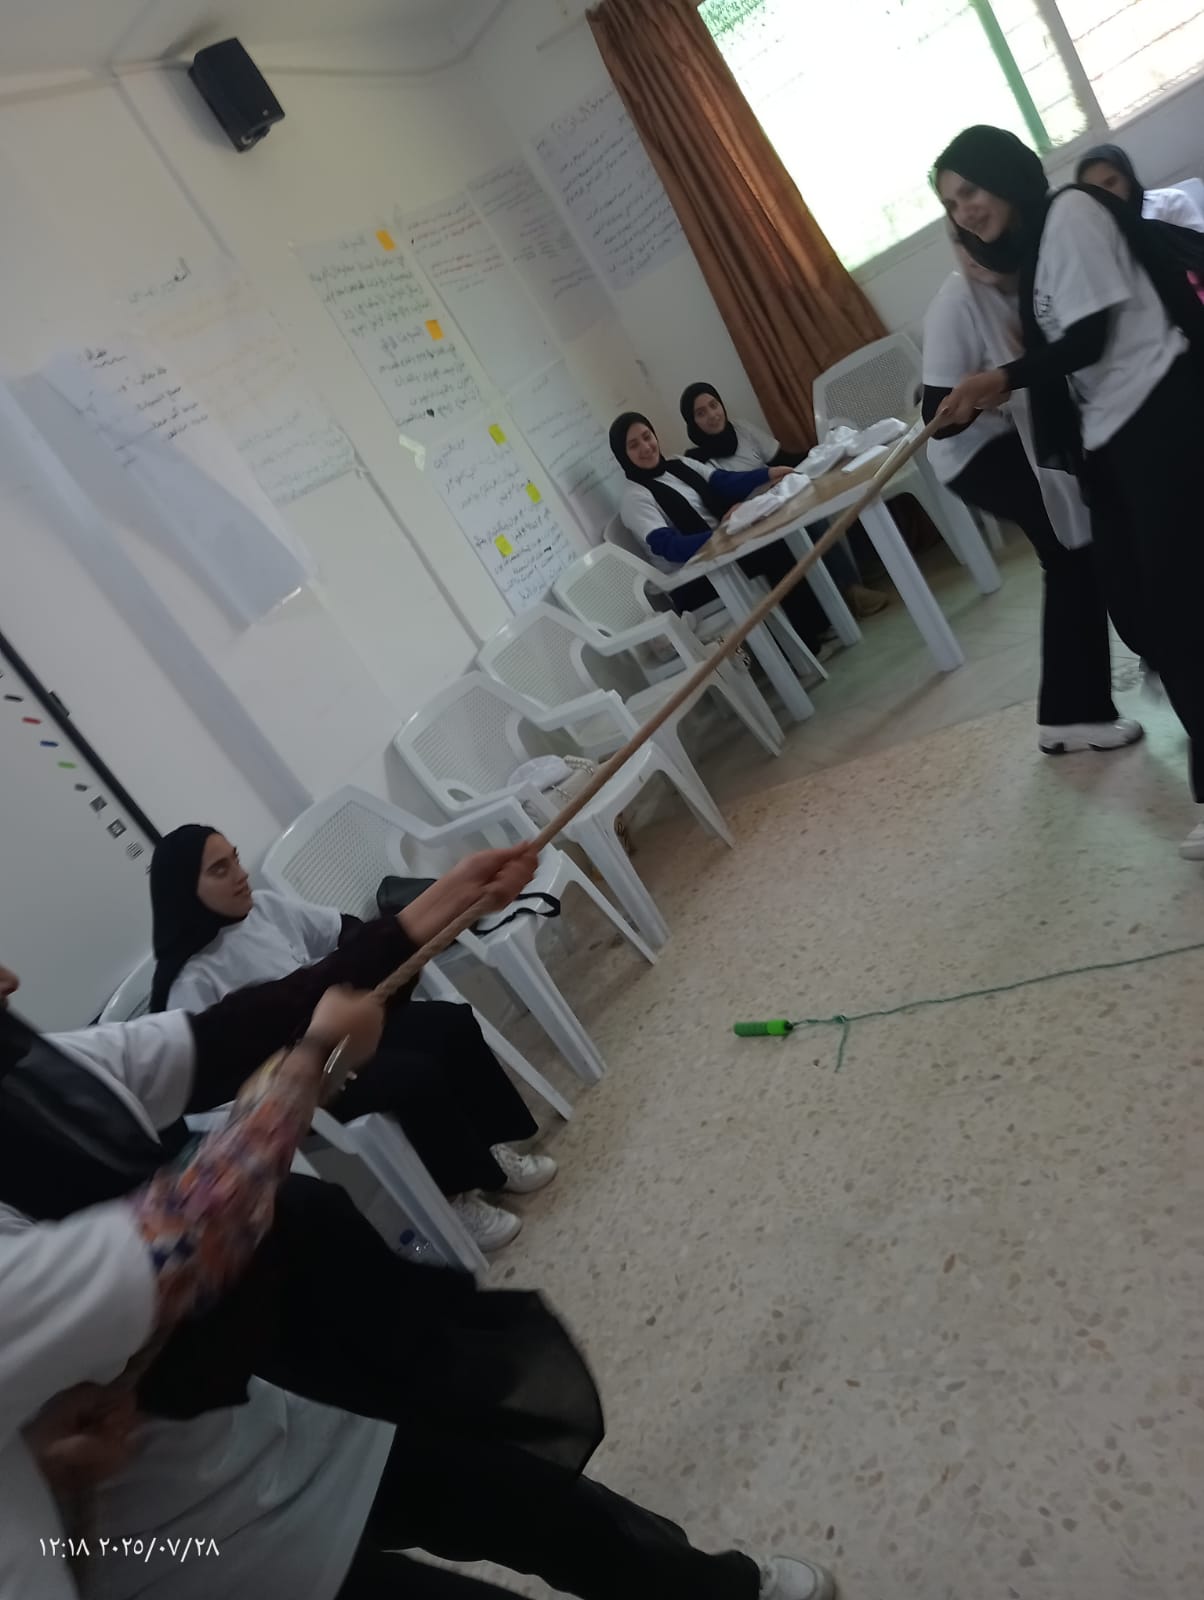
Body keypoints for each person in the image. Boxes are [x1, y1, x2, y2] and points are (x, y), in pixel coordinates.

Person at [0, 958, 837, 1600]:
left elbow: (210, 1041)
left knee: (532, 1500)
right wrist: (310, 1059)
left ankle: (718, 1592)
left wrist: (436, 908)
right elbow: (191, 1231)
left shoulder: (36, 1081)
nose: (10, 979)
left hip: (268, 1424)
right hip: (193, 1554)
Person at [931, 124, 1204, 859]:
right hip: (1114, 438)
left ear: (1003, 174)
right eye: (951, 204)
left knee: (1179, 610)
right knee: (1139, 608)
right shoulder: (1032, 257)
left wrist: (1003, 378)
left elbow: (1088, 339)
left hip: (1162, 413)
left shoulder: (1073, 214)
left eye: (970, 190)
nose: (964, 210)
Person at [149, 823, 554, 1252]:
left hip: (341, 1030)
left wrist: (364, 968)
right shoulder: (189, 982)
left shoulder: (264, 908)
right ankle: (456, 1197)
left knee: (449, 1024)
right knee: (413, 1076)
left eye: (235, 858)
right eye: (219, 869)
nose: (239, 873)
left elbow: (344, 930)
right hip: (306, 1080)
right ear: (184, 892)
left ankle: (490, 1148)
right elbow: (211, 1099)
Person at [921, 230, 1142, 754]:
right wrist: (983, 393)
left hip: (1029, 436)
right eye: (960, 238)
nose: (973, 252)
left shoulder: (1035, 276)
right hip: (977, 454)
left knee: (1082, 547)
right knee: (1070, 554)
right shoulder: (956, 302)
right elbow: (935, 417)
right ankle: (1074, 715)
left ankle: (1074, 711)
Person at [609, 411, 834, 654]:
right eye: (633, 445)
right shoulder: (635, 498)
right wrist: (723, 534)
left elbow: (722, 481)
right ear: (623, 455)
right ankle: (807, 647)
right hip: (696, 578)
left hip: (722, 551)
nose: (645, 447)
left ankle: (819, 628)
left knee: (779, 541)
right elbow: (669, 547)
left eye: (647, 437)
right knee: (773, 553)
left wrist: (769, 473)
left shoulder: (678, 464)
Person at [679, 383, 888, 618]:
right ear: (692, 422)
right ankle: (852, 592)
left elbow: (783, 459)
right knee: (811, 520)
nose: (712, 415)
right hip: (756, 519)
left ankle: (864, 566)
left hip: (782, 495)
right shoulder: (697, 461)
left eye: (713, 405)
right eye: (701, 413)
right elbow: (724, 500)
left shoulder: (741, 429)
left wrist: (825, 453)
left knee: (832, 488)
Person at [1075, 144, 1204, 231]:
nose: (1104, 194)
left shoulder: (1171, 203)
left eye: (1110, 183)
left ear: (1127, 176)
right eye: (1094, 192)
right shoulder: (1104, 237)